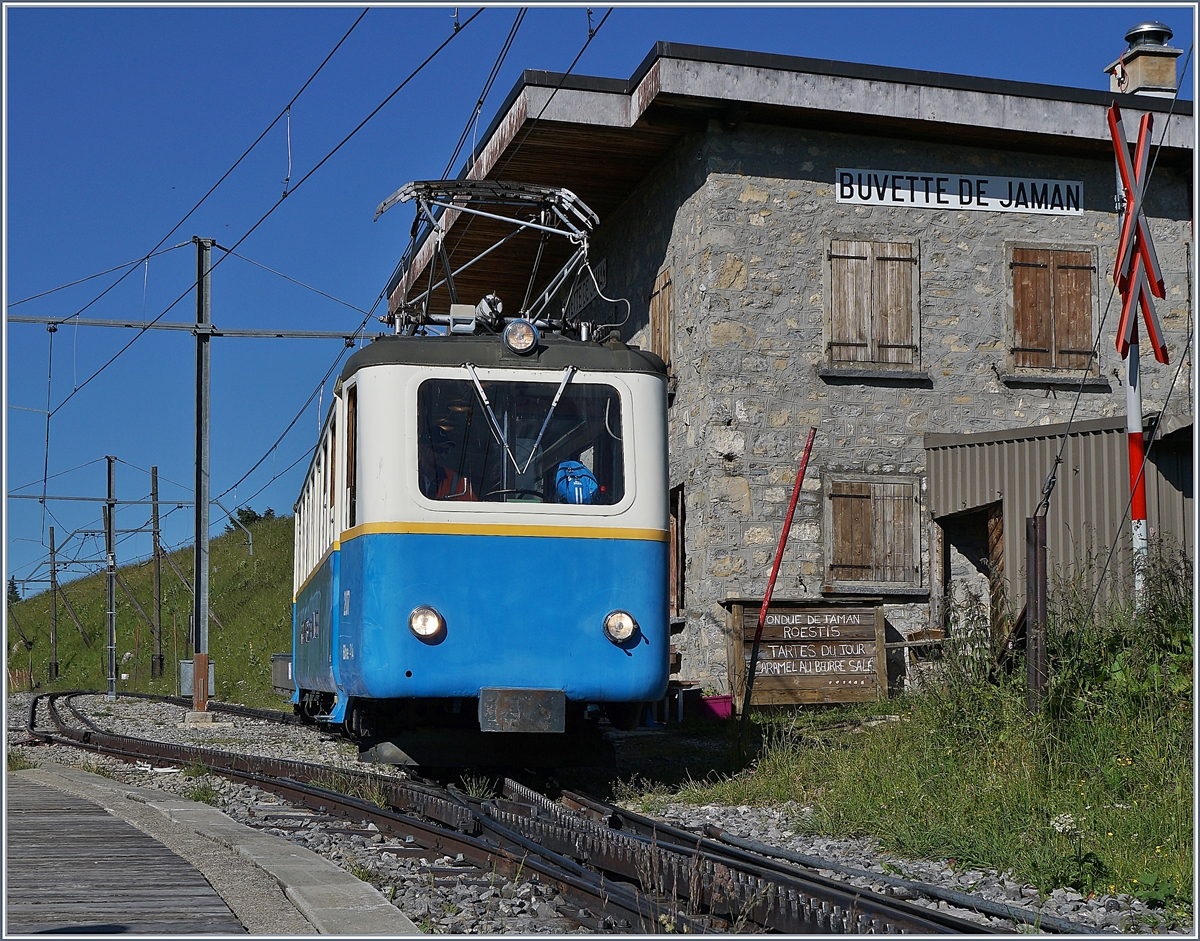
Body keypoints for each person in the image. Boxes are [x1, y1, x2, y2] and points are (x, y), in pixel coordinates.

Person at [418, 426, 477, 501]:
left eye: (446, 450)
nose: (443, 454)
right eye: (439, 449)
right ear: (423, 448)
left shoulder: (456, 481)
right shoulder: (408, 475)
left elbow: (472, 507)